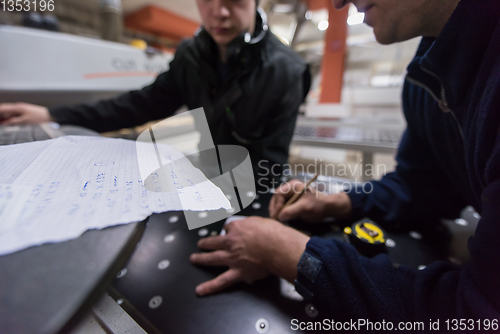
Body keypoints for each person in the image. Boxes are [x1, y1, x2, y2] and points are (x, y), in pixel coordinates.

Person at [190, 0, 500, 324]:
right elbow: (421, 186)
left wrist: (287, 253)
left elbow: (479, 313)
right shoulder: (427, 76)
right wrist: (337, 202)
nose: (338, 2)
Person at [0, 0, 310, 182]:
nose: (219, 12)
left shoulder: (287, 71)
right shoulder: (191, 55)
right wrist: (52, 113)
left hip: (245, 187)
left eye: (232, 0)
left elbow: (268, 168)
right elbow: (142, 104)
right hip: (202, 174)